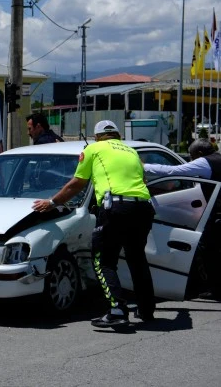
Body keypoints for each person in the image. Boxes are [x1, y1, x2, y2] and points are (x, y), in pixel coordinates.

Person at [32, 120, 156, 328]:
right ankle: (146, 310)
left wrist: (52, 202)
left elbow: (77, 183)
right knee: (137, 259)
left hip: (115, 207)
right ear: (117, 135)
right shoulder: (131, 152)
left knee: (103, 261)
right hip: (143, 208)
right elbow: (142, 179)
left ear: (97, 136)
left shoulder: (93, 149)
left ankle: (117, 310)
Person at [144, 138, 221, 300]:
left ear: (199, 153)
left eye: (191, 156)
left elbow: (173, 171)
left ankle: (216, 289)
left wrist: (142, 167)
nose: (192, 159)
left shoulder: (204, 162)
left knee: (209, 248)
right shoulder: (218, 158)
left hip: (219, 215)